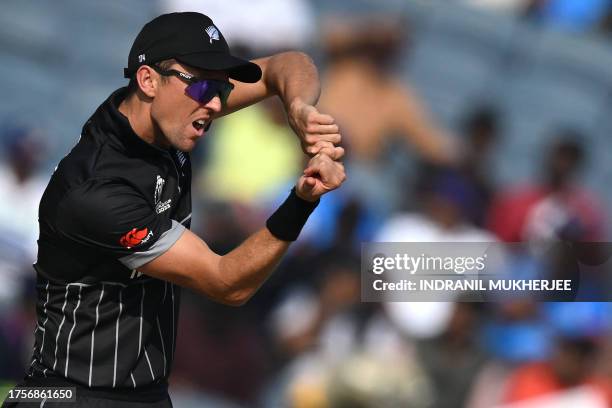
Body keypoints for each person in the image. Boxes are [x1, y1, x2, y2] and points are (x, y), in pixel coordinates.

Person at [2, 12, 345, 408]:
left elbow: (289, 64)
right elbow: (227, 282)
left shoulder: (168, 112)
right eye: (202, 86)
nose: (216, 103)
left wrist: (299, 108)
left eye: (219, 86)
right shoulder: (98, 192)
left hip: (144, 395)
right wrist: (302, 201)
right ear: (148, 80)